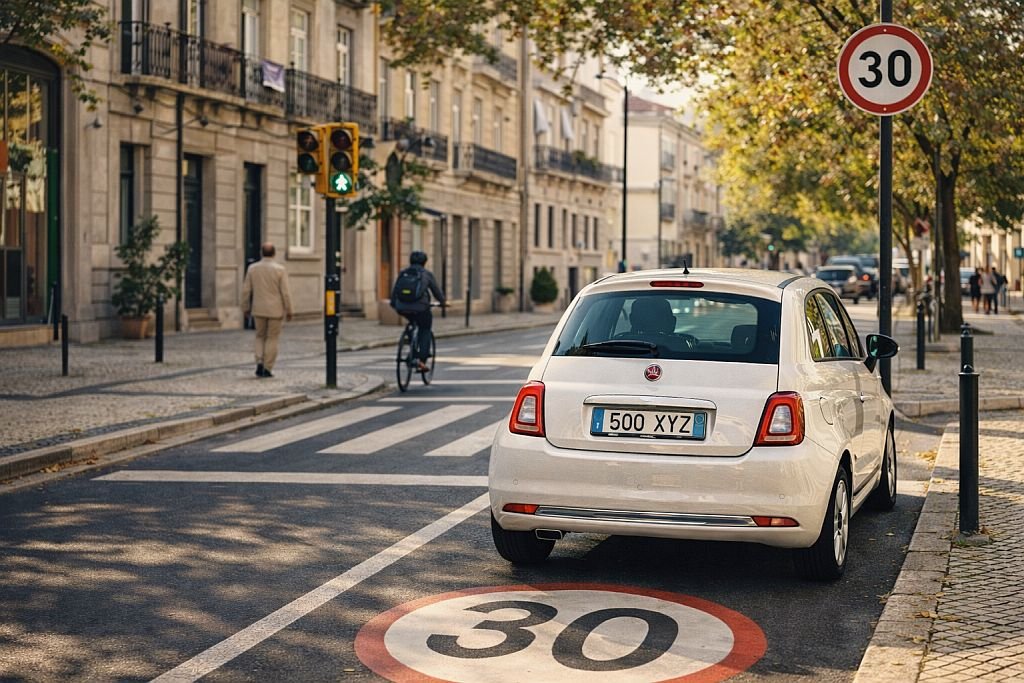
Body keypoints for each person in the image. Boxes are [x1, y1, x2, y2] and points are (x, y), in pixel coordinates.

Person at [241, 242, 293, 378]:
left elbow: (246, 290)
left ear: (261, 253)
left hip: (258, 309)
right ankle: (267, 367)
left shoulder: (252, 268)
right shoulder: (280, 269)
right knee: (272, 338)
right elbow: (285, 292)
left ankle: (259, 361)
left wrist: (245, 307)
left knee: (260, 336)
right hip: (276, 310)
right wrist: (289, 309)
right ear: (274, 253)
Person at [390, 251, 445, 372]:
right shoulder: (426, 274)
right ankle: (421, 360)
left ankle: (411, 342)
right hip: (420, 308)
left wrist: (394, 304)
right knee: (425, 328)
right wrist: (443, 302)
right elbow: (436, 291)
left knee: (411, 322)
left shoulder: (403, 273)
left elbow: (395, 291)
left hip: (402, 307)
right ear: (424, 262)